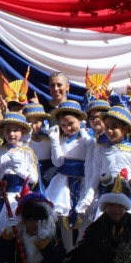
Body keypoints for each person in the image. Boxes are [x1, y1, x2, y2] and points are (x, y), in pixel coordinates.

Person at [77, 105, 131, 230]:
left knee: (127, 231)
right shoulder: (100, 149)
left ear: (126, 128)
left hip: (128, 197)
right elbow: (95, 177)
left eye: (114, 127)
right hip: (106, 196)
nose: (110, 131)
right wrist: (88, 197)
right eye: (107, 126)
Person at [45, 100, 95, 250]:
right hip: (63, 183)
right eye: (63, 125)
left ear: (80, 120)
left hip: (82, 181)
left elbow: (90, 166)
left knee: (84, 219)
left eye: (71, 123)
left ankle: (79, 251)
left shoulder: (88, 140)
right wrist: (54, 141)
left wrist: (88, 188)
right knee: (64, 219)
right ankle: (68, 251)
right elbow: (58, 162)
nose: (68, 128)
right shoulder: (61, 139)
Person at [0, 112, 39, 237]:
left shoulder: (27, 152)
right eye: (8, 130)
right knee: (3, 230)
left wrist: (17, 169)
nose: (11, 134)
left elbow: (33, 179)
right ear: (3, 131)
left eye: (16, 130)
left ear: (23, 131)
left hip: (22, 196)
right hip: (4, 196)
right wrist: (3, 167)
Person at [22, 103, 53, 192]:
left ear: (42, 121)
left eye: (36, 122)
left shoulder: (49, 139)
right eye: (29, 122)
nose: (33, 126)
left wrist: (54, 169)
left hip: (46, 176)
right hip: (29, 175)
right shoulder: (21, 140)